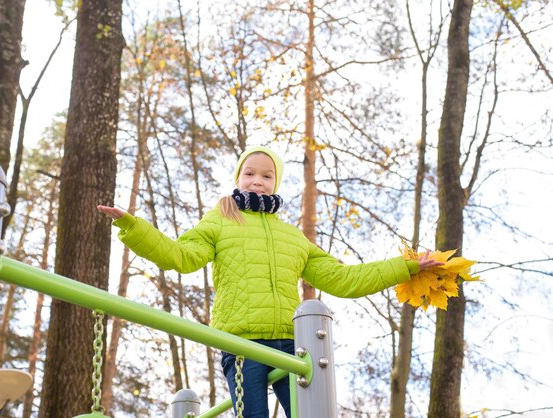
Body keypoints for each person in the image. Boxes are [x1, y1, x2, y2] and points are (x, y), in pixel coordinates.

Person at [98, 145, 442, 418]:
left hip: (294, 347)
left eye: (266, 175)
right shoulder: (220, 221)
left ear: (275, 183)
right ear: (238, 178)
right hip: (244, 344)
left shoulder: (292, 236)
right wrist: (134, 227)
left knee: (310, 413)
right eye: (249, 173)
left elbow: (342, 279)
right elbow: (181, 257)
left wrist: (406, 267)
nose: (256, 181)